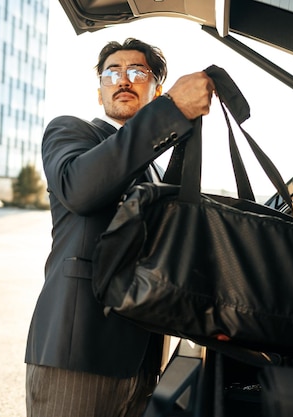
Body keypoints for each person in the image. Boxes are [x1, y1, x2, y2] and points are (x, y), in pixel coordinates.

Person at [25, 38, 215, 417]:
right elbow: (81, 190)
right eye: (112, 73)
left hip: (143, 359)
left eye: (137, 72)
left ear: (155, 89)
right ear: (100, 93)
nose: (123, 80)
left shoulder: (156, 167)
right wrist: (170, 110)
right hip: (78, 352)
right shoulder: (71, 133)